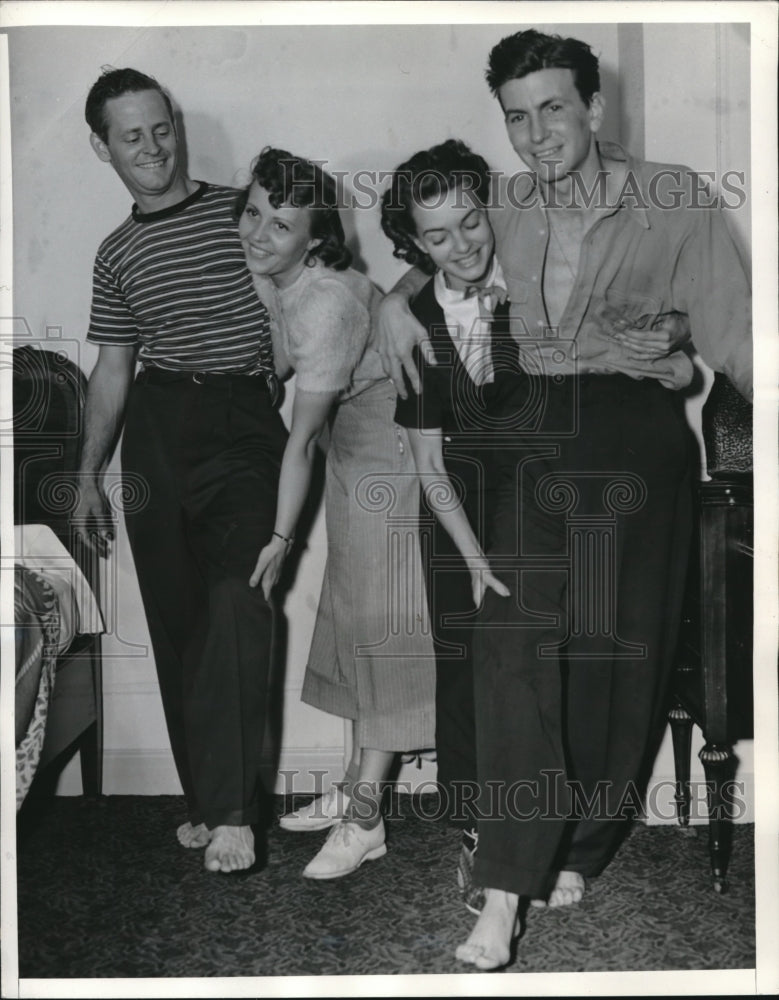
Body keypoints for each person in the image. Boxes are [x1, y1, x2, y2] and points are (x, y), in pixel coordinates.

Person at [378, 30, 752, 969]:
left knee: (611, 656)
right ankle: (506, 882)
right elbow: (439, 251)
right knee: (514, 641)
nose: (536, 133)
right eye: (515, 116)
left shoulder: (675, 197)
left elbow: (738, 341)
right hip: (525, 438)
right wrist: (394, 295)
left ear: (594, 105)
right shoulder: (499, 202)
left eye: (552, 107)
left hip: (631, 440)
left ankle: (573, 844)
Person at [77, 68, 287, 873]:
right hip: (160, 426)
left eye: (160, 128)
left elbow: (314, 276)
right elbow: (113, 368)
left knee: (241, 595)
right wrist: (90, 471)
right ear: (103, 147)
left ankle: (235, 811)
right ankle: (206, 799)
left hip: (240, 424)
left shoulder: (243, 211)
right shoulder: (116, 254)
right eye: (131, 135)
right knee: (179, 621)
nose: (152, 147)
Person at [238, 147, 436, 879]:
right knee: (356, 624)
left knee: (382, 636)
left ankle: (365, 818)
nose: (259, 233)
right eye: (253, 212)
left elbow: (299, 439)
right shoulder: (294, 279)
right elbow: (283, 364)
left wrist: (281, 537)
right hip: (357, 452)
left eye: (280, 225)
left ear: (313, 236)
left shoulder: (323, 301)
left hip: (392, 458)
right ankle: (356, 786)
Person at [380, 139, 512, 913]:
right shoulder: (415, 319)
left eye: (470, 222)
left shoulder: (533, 278)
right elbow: (428, 467)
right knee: (463, 673)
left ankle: (545, 836)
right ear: (414, 244)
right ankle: (473, 835)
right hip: (455, 513)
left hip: (540, 498)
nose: (461, 245)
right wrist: (469, 558)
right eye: (437, 236)